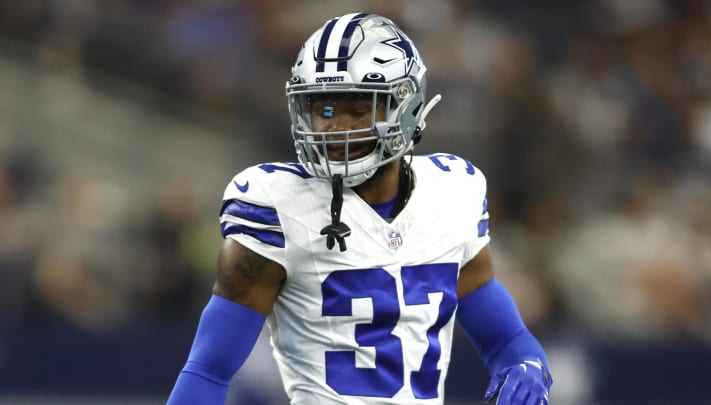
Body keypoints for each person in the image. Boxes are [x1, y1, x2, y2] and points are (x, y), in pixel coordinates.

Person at [167, 12, 553, 405]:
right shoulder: (276, 204)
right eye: (325, 110)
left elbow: (505, 338)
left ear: (405, 106)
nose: (335, 128)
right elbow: (209, 368)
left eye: (357, 109)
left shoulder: (453, 190)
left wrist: (526, 365)